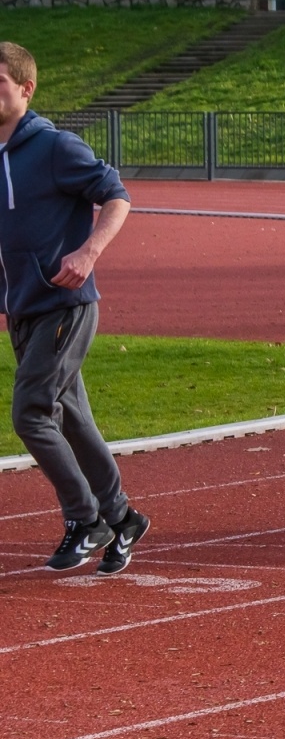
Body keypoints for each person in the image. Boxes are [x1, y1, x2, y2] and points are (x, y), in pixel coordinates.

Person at [0, 41, 150, 574]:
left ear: (25, 88)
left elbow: (117, 195)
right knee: (72, 419)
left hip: (65, 304)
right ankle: (122, 516)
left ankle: (86, 520)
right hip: (22, 310)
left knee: (32, 413)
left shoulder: (55, 147)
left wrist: (88, 252)